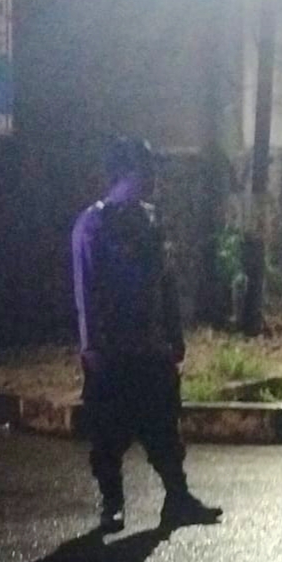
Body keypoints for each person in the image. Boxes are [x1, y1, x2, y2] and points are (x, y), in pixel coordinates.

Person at [72, 136, 222, 534]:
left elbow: (166, 282)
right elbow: (87, 289)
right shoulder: (94, 224)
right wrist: (91, 346)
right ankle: (112, 505)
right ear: (127, 172)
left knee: (164, 428)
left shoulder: (153, 221)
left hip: (152, 346)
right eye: (147, 169)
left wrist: (174, 334)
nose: (154, 177)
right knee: (108, 433)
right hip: (113, 349)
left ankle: (178, 499)